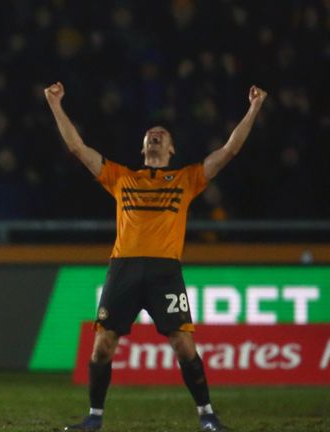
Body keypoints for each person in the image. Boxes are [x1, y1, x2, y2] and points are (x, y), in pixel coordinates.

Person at [44, 81, 267, 432]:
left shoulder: (186, 179)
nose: (155, 135)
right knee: (102, 345)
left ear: (172, 148)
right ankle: (94, 418)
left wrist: (253, 108)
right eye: (151, 133)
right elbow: (77, 147)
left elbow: (229, 151)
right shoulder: (121, 177)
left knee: (183, 344)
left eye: (162, 133)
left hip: (165, 272)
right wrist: (55, 104)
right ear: (143, 146)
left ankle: (207, 416)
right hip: (123, 269)